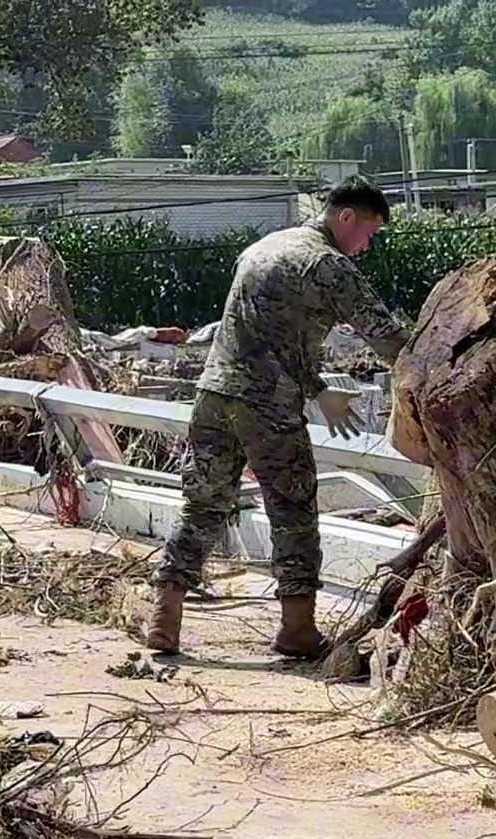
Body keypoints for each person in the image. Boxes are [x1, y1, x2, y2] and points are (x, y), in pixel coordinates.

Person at [146, 176, 408, 658]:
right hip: (267, 404)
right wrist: (428, 365)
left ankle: (166, 613)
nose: (367, 246)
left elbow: (260, 332)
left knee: (203, 504)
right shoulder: (328, 265)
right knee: (292, 511)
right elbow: (384, 335)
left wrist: (318, 387)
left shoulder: (263, 247)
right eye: (369, 233)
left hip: (213, 395)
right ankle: (297, 628)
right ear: (345, 217)